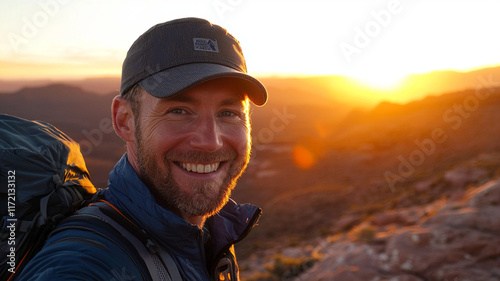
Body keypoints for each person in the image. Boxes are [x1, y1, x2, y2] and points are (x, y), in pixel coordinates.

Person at [19, 17, 267, 280]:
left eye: (229, 113)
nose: (210, 141)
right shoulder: (82, 268)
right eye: (179, 111)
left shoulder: (207, 235)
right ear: (124, 120)